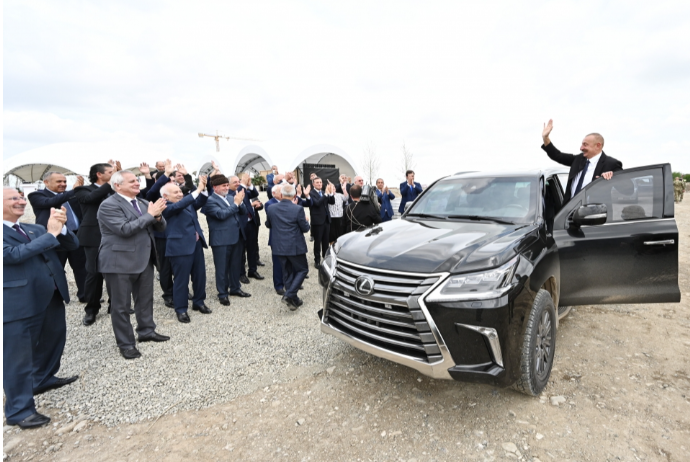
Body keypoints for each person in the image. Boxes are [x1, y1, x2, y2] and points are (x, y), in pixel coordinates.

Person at [3, 188, 80, 429]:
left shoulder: (33, 228)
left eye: (21, 197)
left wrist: (61, 227)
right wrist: (51, 234)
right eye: (13, 198)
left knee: (53, 340)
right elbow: (13, 255)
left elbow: (72, 244)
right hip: (19, 304)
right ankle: (19, 411)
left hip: (51, 295)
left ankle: (43, 378)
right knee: (18, 358)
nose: (20, 201)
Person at [97, 171, 170, 359]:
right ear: (117, 186)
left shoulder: (144, 203)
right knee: (121, 306)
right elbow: (124, 229)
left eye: (137, 180)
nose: (137, 183)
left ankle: (146, 331)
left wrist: (158, 217)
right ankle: (126, 343)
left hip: (144, 260)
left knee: (145, 300)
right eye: (132, 181)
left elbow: (160, 227)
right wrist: (151, 215)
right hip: (118, 263)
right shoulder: (108, 205)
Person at [27, 171, 87, 302]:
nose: (63, 184)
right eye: (59, 181)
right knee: (55, 268)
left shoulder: (70, 195)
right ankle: (56, 297)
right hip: (52, 238)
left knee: (81, 267)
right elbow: (52, 202)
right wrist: (74, 191)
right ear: (46, 182)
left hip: (73, 236)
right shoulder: (36, 195)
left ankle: (85, 295)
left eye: (65, 181)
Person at [161, 177, 210, 323]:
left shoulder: (186, 203)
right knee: (181, 280)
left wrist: (204, 189)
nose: (180, 194)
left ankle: (199, 302)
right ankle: (181, 309)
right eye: (175, 192)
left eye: (180, 191)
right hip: (179, 248)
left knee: (200, 275)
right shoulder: (164, 206)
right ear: (165, 196)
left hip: (196, 244)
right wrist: (198, 189)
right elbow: (180, 205)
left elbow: (199, 202)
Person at [73, 162, 116, 326]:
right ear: (99, 174)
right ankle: (92, 309)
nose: (114, 174)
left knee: (115, 272)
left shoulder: (114, 189)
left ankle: (115, 305)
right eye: (111, 172)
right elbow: (91, 199)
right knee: (94, 273)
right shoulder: (82, 190)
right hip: (93, 237)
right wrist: (111, 183)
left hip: (114, 235)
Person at [541, 119, 622, 203]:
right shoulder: (578, 159)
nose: (581, 148)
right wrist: (545, 138)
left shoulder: (611, 164)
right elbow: (557, 155)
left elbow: (628, 190)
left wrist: (612, 179)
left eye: (585, 145)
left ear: (598, 146)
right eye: (582, 144)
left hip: (594, 214)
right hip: (569, 212)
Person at [202, 175, 247, 305]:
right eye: (224, 186)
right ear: (215, 187)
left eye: (227, 185)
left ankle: (235, 288)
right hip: (221, 240)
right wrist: (237, 203)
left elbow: (242, 212)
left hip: (235, 237)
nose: (227, 188)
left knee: (235, 266)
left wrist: (241, 201)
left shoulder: (231, 197)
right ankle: (222, 293)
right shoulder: (210, 201)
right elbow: (221, 215)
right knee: (222, 268)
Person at [265, 184, 311, 310]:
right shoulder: (298, 209)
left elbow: (268, 224)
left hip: (278, 245)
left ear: (281, 195)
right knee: (302, 270)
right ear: (295, 196)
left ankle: (293, 300)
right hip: (294, 246)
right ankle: (289, 295)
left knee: (287, 272)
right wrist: (306, 220)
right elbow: (305, 229)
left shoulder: (272, 208)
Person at [146, 159, 180, 307]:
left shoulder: (177, 195)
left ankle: (180, 289)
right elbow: (153, 190)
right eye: (168, 181)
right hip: (162, 236)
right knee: (165, 267)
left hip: (177, 236)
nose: (171, 184)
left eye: (173, 181)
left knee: (179, 266)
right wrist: (166, 174)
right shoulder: (156, 196)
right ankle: (168, 294)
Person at [238, 173, 263, 283]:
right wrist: (243, 183)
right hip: (241, 224)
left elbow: (255, 193)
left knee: (252, 248)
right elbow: (240, 191)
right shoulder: (235, 191)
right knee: (241, 250)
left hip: (251, 222)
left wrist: (250, 184)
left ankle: (252, 270)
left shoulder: (246, 190)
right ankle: (241, 273)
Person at [308, 178, 336, 268]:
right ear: (313, 184)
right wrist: (326, 194)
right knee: (317, 242)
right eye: (317, 182)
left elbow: (332, 202)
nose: (320, 184)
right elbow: (317, 203)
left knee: (325, 242)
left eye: (320, 182)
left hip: (326, 221)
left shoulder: (324, 192)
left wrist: (331, 193)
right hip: (317, 221)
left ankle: (325, 259)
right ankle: (317, 260)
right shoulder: (312, 193)